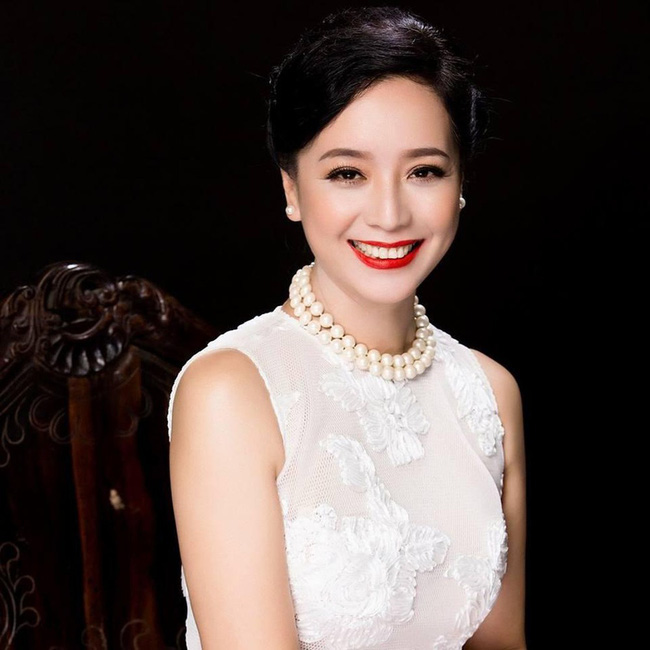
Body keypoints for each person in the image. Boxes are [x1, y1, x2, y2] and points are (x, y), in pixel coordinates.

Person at [167, 6, 526, 649]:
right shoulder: (231, 391)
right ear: (292, 189)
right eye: (347, 173)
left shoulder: (489, 394)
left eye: (424, 171)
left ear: (460, 184)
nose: (389, 214)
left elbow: (499, 642)